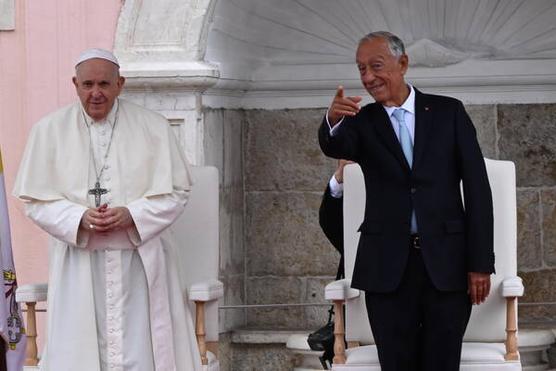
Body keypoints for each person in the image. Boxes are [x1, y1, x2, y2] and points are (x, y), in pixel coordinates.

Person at [13, 48, 202, 371]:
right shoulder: (49, 130)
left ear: (120, 84)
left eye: (104, 83)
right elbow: (35, 201)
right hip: (79, 263)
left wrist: (133, 214)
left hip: (139, 263)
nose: (96, 93)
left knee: (142, 351)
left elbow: (177, 193)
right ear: (75, 84)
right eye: (87, 84)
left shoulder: (153, 127)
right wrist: (77, 217)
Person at [318, 31, 494, 371]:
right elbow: (335, 146)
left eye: (376, 66)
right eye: (361, 69)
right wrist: (332, 121)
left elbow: (477, 189)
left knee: (442, 363)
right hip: (387, 269)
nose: (368, 77)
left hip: (447, 266)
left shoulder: (449, 112)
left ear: (403, 63)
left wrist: (480, 262)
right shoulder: (361, 122)